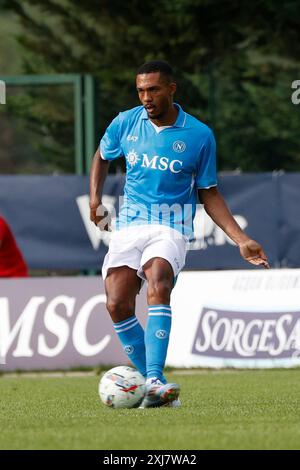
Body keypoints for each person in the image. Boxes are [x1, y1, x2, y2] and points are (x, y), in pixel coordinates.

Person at [89, 60, 269, 408]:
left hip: (170, 226)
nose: (146, 97)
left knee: (159, 279)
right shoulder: (125, 122)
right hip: (130, 226)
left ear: (171, 89)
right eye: (141, 90)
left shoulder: (199, 135)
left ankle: (153, 378)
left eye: (153, 90)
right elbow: (102, 154)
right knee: (117, 303)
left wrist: (241, 239)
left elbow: (209, 192)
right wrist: (95, 200)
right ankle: (156, 390)